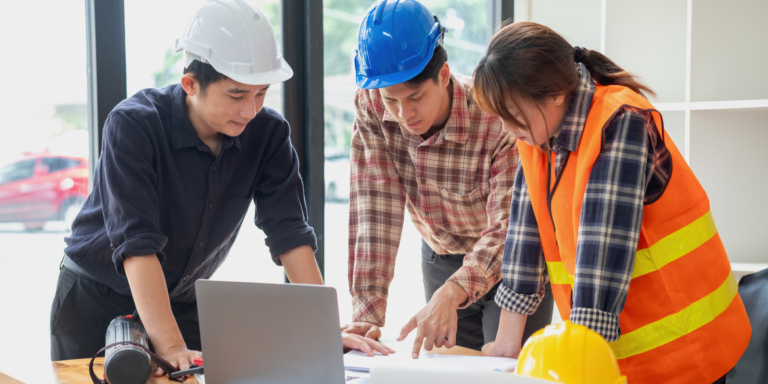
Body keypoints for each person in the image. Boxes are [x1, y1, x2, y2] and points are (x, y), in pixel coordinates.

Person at [50, 0, 391, 375]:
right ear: (190, 84)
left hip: (179, 300)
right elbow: (137, 245)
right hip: (95, 298)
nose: (251, 109)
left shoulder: (269, 135)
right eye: (237, 95)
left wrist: (324, 330)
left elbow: (290, 233)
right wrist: (171, 345)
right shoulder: (133, 125)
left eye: (261, 93)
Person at [473, 22, 751, 384]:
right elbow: (525, 236)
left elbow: (601, 255)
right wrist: (506, 344)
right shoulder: (536, 133)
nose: (507, 127)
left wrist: (582, 362)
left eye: (511, 113)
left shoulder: (620, 121)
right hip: (620, 356)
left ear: (555, 93)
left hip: (687, 349)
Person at [344, 0, 553, 358]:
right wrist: (367, 314)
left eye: (415, 97)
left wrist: (453, 291)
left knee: (508, 369)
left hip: (514, 262)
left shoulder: (494, 119)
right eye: (391, 100)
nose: (403, 113)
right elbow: (374, 208)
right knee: (448, 371)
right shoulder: (372, 105)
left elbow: (510, 227)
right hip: (441, 255)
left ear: (443, 76)